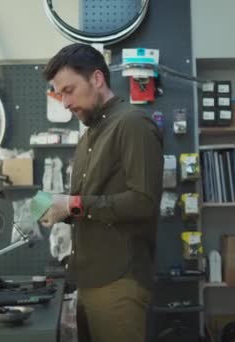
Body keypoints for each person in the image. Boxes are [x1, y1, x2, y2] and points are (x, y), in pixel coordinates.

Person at [40, 43, 163, 342]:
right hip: (89, 279)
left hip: (119, 280)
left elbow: (143, 202)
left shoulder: (132, 123)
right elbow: (91, 205)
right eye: (60, 94)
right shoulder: (89, 136)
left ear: (96, 79)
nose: (65, 103)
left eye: (69, 90)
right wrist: (57, 208)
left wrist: (73, 205)